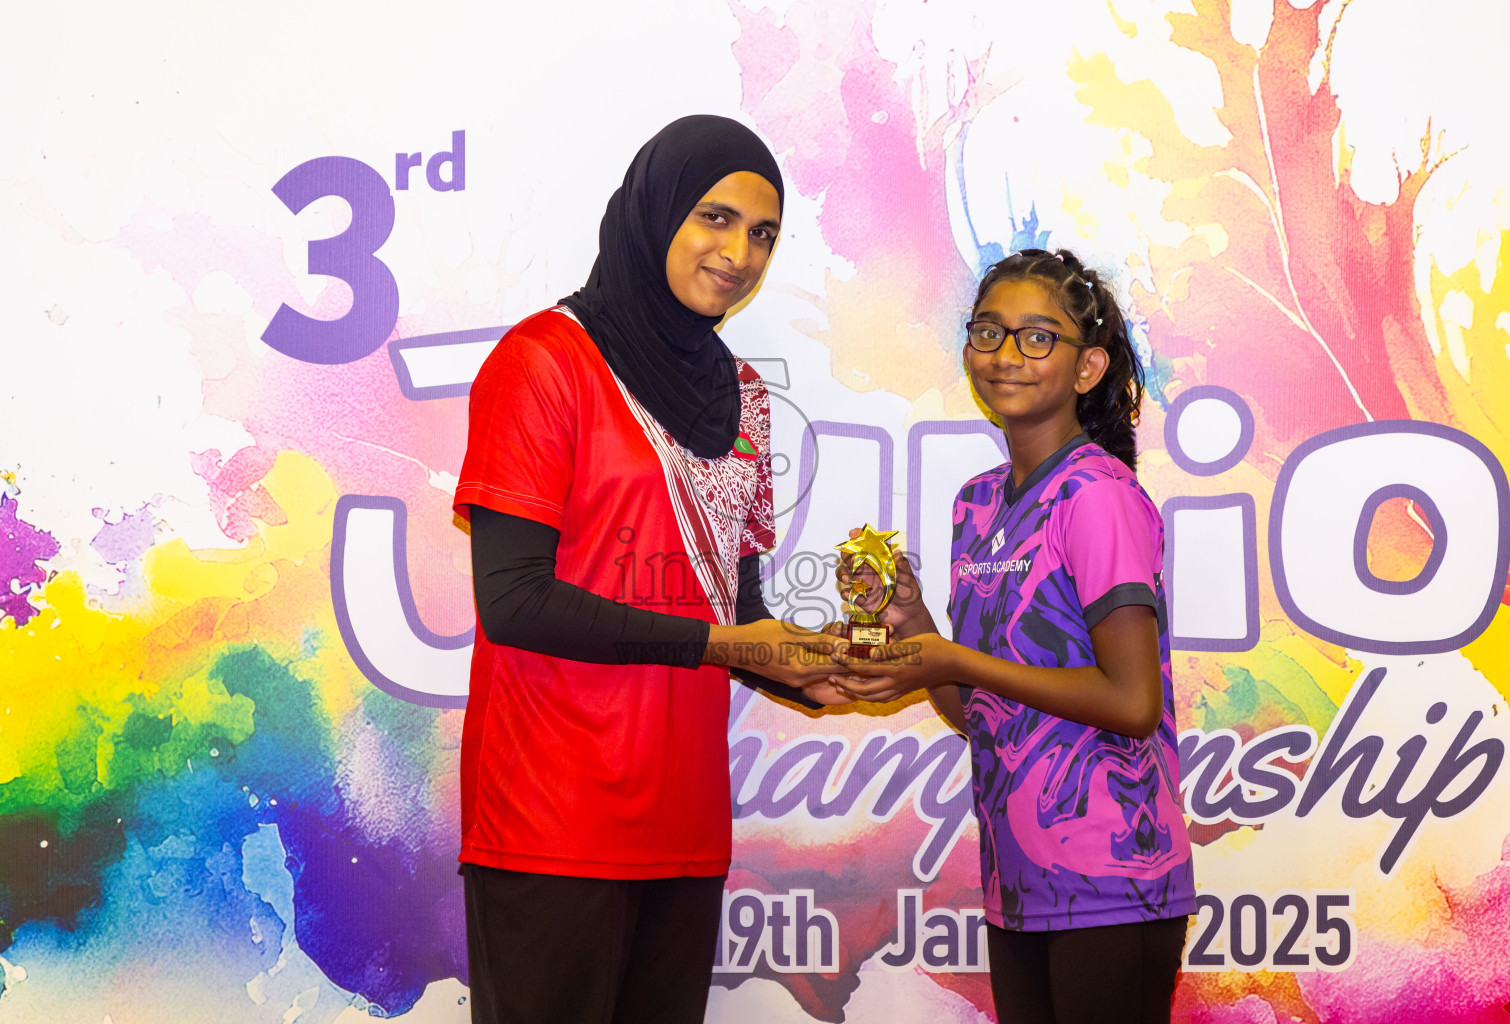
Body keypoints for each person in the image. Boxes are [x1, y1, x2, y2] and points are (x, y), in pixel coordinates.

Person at [453, 114, 838, 1024]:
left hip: (685, 825)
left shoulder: (742, 395)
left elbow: (737, 613)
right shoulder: (543, 361)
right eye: (714, 217)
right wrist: (720, 643)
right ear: (655, 211)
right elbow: (513, 602)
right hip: (552, 819)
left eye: (763, 234)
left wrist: (824, 669)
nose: (738, 251)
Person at [828, 249, 1195, 1023]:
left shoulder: (1097, 496)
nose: (1005, 355)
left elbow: (1131, 702)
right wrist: (914, 623)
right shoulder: (978, 506)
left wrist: (951, 654)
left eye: (1037, 338)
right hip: (1020, 881)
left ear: (1088, 366)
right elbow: (977, 711)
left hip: (1114, 881)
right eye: (989, 332)